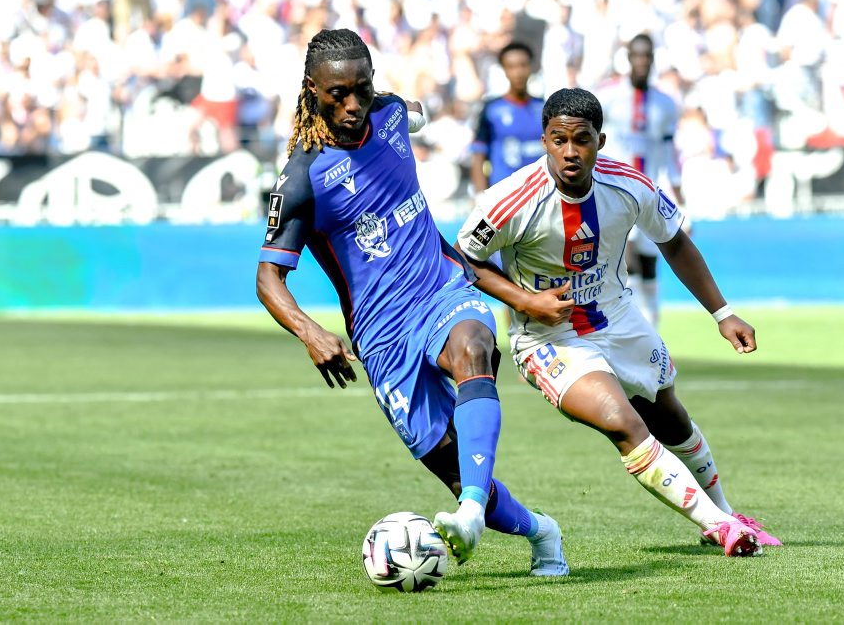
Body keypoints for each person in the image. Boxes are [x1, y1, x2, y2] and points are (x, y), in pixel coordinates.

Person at [255, 28, 567, 576]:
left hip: (440, 290)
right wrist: (311, 332)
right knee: (456, 468)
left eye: (362, 89)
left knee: (473, 348)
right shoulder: (302, 178)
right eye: (337, 95)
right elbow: (268, 278)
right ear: (312, 90)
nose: (353, 106)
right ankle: (541, 530)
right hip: (381, 338)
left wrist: (421, 115)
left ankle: (468, 514)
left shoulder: (391, 113)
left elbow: (411, 113)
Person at [455, 88, 781, 557]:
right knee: (623, 423)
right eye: (559, 140)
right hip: (549, 338)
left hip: (619, 318)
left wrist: (723, 314)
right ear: (545, 141)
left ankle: (727, 513)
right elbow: (465, 256)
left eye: (582, 140)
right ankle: (721, 527)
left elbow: (674, 241)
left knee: (670, 417)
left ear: (600, 141)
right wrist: (526, 300)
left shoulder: (628, 185)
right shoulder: (511, 199)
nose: (570, 152)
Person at [595, 34, 683, 328]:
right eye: (637, 55)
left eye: (647, 56)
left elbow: (669, 154)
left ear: (653, 59)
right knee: (625, 259)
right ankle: (629, 326)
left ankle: (652, 328)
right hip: (616, 192)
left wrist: (680, 196)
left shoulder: (665, 104)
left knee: (648, 262)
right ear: (629, 58)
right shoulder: (608, 97)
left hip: (650, 193)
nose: (642, 61)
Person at [470, 41, 544, 195]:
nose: (518, 72)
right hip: (504, 195)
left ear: (531, 67)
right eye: (511, 66)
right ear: (504, 69)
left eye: (523, 65)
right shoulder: (491, 108)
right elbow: (478, 155)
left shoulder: (545, 107)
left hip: (541, 193)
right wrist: (480, 195)